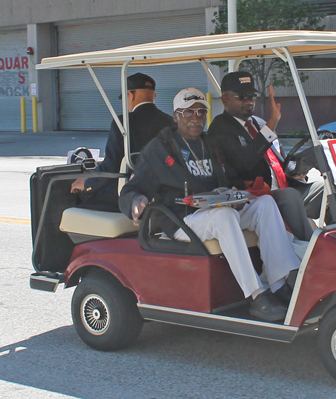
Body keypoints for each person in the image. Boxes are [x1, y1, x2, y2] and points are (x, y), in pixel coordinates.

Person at [119, 88, 300, 322]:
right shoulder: (160, 148)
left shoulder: (210, 144)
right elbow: (133, 188)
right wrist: (136, 199)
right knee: (224, 217)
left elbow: (230, 177)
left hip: (214, 211)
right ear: (176, 116)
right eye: (188, 113)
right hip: (182, 219)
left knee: (265, 204)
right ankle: (256, 296)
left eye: (201, 112)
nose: (195, 118)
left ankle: (279, 283)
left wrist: (234, 191)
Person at [207, 71, 324, 241]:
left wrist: (296, 169)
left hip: (285, 186)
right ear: (225, 99)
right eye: (242, 97)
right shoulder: (220, 128)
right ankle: (311, 252)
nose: (249, 102)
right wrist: (272, 124)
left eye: (251, 96)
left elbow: (277, 159)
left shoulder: (259, 123)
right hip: (255, 195)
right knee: (290, 196)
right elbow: (244, 162)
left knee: (325, 187)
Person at [70, 72, 176, 211]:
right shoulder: (170, 122)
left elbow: (111, 166)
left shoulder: (123, 122)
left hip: (130, 191)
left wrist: (88, 184)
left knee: (81, 198)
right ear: (154, 96)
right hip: (162, 191)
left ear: (130, 95)